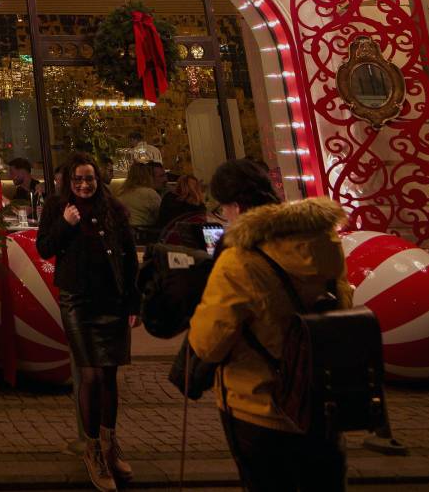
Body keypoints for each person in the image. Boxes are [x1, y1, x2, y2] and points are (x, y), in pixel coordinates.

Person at [188, 158, 353, 492]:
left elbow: (209, 342)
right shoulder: (323, 240)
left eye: (223, 208)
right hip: (319, 396)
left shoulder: (239, 258)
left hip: (259, 403)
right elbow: (343, 302)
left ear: (235, 206)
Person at [37, 151, 140, 492]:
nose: (84, 185)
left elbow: (128, 260)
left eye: (89, 179)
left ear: (98, 180)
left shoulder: (114, 210)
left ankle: (111, 446)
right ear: (68, 181)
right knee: (91, 374)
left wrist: (132, 303)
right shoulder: (57, 208)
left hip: (111, 300)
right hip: (77, 301)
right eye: (78, 179)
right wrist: (65, 224)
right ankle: (92, 448)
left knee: (109, 374)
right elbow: (45, 248)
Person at [119, 160, 165, 240]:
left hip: (124, 235)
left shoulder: (122, 194)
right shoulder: (149, 193)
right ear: (147, 176)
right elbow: (161, 216)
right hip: (143, 236)